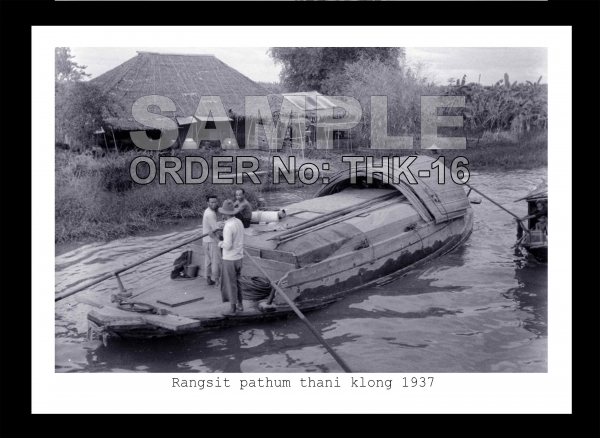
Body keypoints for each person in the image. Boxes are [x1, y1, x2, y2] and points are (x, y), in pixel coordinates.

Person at [218, 199, 245, 315]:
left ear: (224, 214)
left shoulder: (228, 227)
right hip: (239, 257)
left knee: (230, 283)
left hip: (230, 259)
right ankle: (240, 304)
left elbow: (227, 245)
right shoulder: (238, 222)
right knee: (237, 282)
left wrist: (218, 241)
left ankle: (233, 309)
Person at [202, 195, 222, 286]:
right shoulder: (211, 214)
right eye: (212, 202)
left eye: (215, 202)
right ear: (208, 203)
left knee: (208, 261)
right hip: (211, 240)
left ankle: (208, 279)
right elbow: (215, 229)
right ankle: (217, 281)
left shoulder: (207, 211)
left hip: (205, 240)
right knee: (215, 262)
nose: (214, 204)